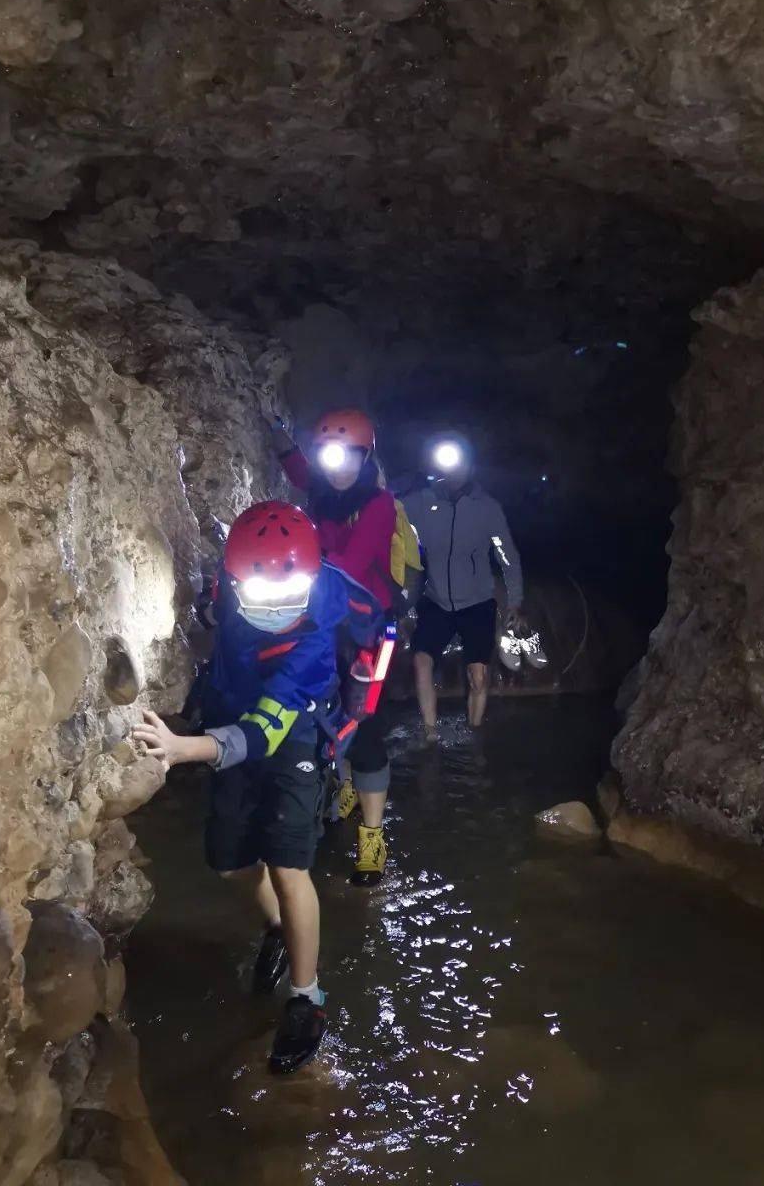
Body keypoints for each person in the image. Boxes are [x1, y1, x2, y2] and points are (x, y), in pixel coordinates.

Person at [133, 500, 378, 1075]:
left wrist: (184, 748)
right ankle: (279, 929)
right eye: (260, 595)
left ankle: (307, 997)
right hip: (231, 715)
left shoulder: (315, 638)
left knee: (289, 865)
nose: (274, 608)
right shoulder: (230, 588)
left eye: (288, 594)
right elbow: (215, 621)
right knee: (228, 862)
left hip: (293, 735)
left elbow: (263, 733)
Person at [263, 404, 396, 887]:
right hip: (326, 626)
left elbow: (352, 565)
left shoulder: (379, 505)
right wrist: (279, 435)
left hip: (370, 630)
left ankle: (373, 838)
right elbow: (301, 472)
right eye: (329, 457)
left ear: (365, 456)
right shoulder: (321, 493)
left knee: (366, 727)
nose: (337, 467)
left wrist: (295, 555)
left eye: (347, 456)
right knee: (325, 715)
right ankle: (344, 785)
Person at [402, 435, 525, 738]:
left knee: (478, 676)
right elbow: (388, 510)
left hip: (477, 602)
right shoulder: (422, 502)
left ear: (471, 467)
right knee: (421, 661)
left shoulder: (488, 508)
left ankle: (475, 733)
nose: (454, 471)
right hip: (436, 601)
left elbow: (507, 556)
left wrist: (515, 602)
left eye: (461, 464)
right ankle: (430, 733)